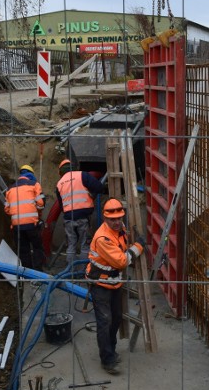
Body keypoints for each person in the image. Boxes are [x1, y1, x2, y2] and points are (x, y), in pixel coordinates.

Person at [85, 198, 144, 375]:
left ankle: (112, 349)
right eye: (113, 219)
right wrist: (139, 247)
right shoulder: (103, 238)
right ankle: (107, 360)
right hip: (100, 284)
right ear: (105, 219)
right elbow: (121, 261)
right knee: (105, 321)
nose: (117, 222)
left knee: (116, 318)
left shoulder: (120, 230)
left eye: (119, 218)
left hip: (114, 283)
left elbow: (123, 249)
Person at [55, 159, 106, 266]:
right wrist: (92, 195)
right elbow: (99, 187)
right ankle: (84, 272)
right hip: (84, 217)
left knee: (71, 245)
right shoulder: (82, 175)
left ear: (60, 172)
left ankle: (71, 272)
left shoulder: (59, 183)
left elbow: (61, 205)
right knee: (85, 245)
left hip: (69, 218)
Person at [4, 165, 46, 270]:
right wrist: (35, 209)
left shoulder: (10, 189)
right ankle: (38, 271)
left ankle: (28, 273)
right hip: (32, 224)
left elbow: (7, 210)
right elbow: (41, 204)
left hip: (17, 226)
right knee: (37, 247)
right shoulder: (34, 184)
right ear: (31, 175)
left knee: (23, 250)